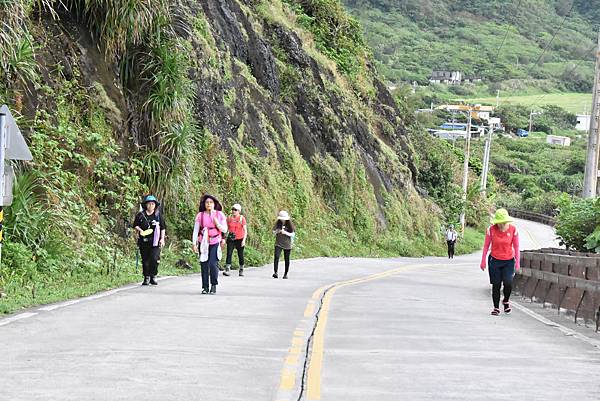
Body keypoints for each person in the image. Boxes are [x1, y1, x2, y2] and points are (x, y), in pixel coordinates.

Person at [480, 208, 520, 316]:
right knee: (496, 284)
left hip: (508, 261)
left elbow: (516, 247)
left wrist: (517, 262)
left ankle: (506, 300)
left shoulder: (513, 230)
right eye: (498, 223)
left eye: (502, 223)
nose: (500, 225)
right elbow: (486, 246)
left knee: (508, 282)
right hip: (494, 260)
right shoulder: (491, 230)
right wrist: (483, 260)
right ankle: (496, 307)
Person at [192, 194, 228, 294]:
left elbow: (224, 229)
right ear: (204, 204)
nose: (209, 204)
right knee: (204, 264)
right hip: (203, 241)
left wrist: (217, 223)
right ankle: (205, 287)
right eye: (207, 202)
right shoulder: (200, 215)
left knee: (213, 263)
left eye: (211, 202)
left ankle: (213, 285)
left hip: (215, 240)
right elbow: (195, 230)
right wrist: (194, 243)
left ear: (214, 204)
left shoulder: (219, 215)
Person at [132, 195, 166, 286]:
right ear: (146, 205)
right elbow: (135, 225)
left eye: (152, 204)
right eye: (149, 204)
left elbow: (162, 228)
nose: (151, 206)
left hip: (155, 241)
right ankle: (146, 277)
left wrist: (162, 239)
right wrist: (140, 230)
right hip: (144, 241)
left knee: (154, 259)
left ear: (155, 205)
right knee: (145, 260)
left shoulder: (158, 215)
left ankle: (153, 276)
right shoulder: (140, 215)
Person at [224, 203, 247, 277]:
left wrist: (244, 240)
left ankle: (241, 269)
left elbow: (245, 230)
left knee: (240, 254)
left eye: (235, 210)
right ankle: (227, 269)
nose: (233, 211)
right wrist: (224, 237)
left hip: (240, 238)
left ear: (239, 211)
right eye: (232, 209)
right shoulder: (229, 218)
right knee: (229, 253)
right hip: (231, 238)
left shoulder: (241, 218)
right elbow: (226, 228)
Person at [272, 211, 295, 279]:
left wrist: (285, 232)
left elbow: (293, 234)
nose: (282, 220)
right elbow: (273, 232)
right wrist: (277, 231)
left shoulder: (289, 224)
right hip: (278, 243)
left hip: (287, 244)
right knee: (276, 256)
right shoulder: (277, 223)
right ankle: (275, 272)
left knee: (286, 259)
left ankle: (285, 274)